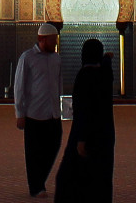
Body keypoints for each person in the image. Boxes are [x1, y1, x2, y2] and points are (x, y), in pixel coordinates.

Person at [55, 39, 113, 203]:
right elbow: (107, 63)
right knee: (99, 178)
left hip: (86, 135)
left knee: (67, 178)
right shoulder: (106, 75)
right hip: (105, 135)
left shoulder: (84, 75)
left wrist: (81, 139)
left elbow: (83, 109)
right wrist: (107, 58)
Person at [12, 24, 64, 196]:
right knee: (33, 153)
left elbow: (59, 84)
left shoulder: (56, 58)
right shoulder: (27, 58)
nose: (55, 42)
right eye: (52, 39)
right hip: (34, 114)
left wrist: (60, 108)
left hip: (53, 114)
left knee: (54, 146)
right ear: (42, 39)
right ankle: (36, 187)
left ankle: (39, 181)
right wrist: (20, 113)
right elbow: (19, 87)